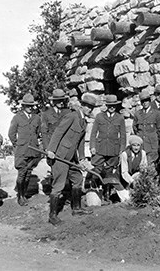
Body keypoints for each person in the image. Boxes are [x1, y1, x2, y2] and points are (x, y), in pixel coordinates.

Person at [46, 94, 97, 225]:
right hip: (60, 156)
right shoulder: (72, 116)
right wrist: (51, 150)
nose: (89, 109)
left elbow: (79, 143)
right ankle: (52, 216)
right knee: (59, 185)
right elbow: (58, 132)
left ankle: (76, 208)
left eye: (91, 107)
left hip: (71, 158)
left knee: (78, 178)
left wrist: (81, 158)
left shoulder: (84, 121)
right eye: (87, 106)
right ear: (82, 105)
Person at [90, 94, 126, 200]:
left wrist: (121, 150)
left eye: (114, 105)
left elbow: (123, 136)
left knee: (110, 172)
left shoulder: (120, 118)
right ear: (106, 105)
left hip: (113, 149)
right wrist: (92, 146)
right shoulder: (100, 116)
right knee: (96, 169)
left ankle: (107, 194)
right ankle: (94, 191)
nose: (112, 107)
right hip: (100, 148)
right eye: (110, 105)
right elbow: (93, 133)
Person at [8, 93, 42, 206]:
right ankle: (20, 196)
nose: (30, 107)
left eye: (31, 105)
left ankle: (24, 194)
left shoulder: (37, 118)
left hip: (33, 150)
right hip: (22, 151)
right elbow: (11, 134)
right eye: (27, 105)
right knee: (22, 173)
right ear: (23, 106)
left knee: (28, 173)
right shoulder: (17, 117)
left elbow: (37, 133)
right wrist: (17, 145)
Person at [133, 90, 160, 163]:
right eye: (143, 101)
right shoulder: (138, 114)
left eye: (146, 101)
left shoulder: (156, 113)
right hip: (141, 145)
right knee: (141, 164)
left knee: (151, 165)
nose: (145, 103)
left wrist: (155, 137)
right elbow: (135, 128)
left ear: (150, 101)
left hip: (152, 144)